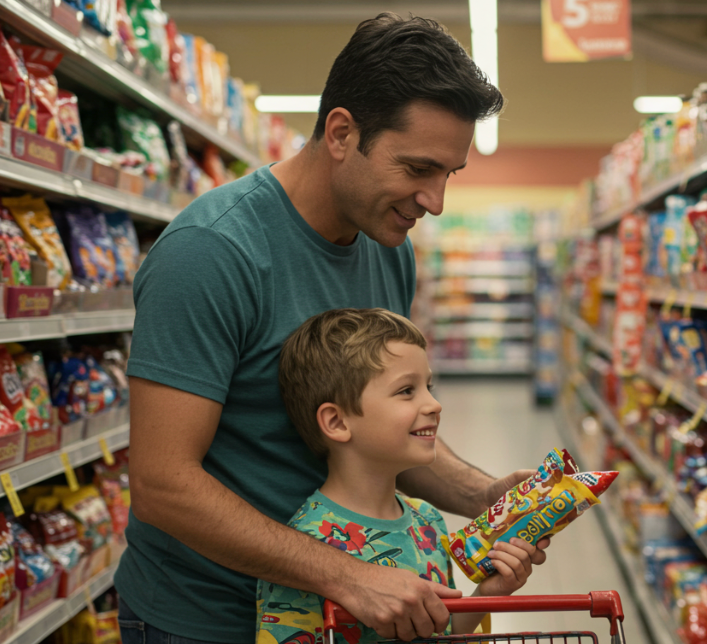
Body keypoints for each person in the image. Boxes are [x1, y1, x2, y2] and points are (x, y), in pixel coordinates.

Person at [118, 13, 548, 643]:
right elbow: (162, 483)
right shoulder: (211, 252)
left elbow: (373, 432)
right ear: (342, 133)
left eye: (448, 174)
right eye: (417, 168)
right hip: (208, 620)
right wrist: (347, 575)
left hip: (339, 621)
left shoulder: (388, 248)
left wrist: (485, 496)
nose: (435, 201)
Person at [258, 308, 537, 643]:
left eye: (429, 386)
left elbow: (440, 631)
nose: (434, 404)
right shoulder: (305, 552)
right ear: (337, 422)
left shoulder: (428, 521)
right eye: (407, 390)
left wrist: (489, 592)